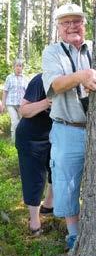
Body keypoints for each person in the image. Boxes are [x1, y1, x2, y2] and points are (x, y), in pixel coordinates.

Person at [42, 3, 96, 250]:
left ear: (85, 23)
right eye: (65, 22)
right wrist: (82, 76)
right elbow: (55, 85)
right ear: (59, 28)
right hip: (67, 128)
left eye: (76, 21)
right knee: (66, 181)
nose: (72, 26)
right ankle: (73, 234)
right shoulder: (52, 52)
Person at [15, 74, 53, 236]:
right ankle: (34, 222)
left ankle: (49, 205)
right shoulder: (40, 80)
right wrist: (47, 102)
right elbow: (23, 110)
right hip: (31, 138)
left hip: (53, 135)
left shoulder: (74, 79)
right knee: (34, 177)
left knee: (55, 171)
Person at [2, 59, 28, 141]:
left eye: (20, 66)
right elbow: (5, 91)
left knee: (22, 123)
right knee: (15, 122)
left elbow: (27, 92)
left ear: (22, 67)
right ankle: (14, 142)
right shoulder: (9, 77)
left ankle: (22, 141)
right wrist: (3, 104)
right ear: (14, 67)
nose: (18, 68)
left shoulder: (25, 78)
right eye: (17, 66)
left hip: (21, 105)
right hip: (10, 104)